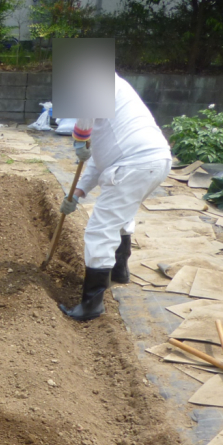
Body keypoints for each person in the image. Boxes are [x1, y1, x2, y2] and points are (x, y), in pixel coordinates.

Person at [58, 73, 171, 321]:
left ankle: (91, 304)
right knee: (122, 213)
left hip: (135, 163)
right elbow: (101, 161)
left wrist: (80, 138)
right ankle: (119, 271)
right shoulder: (116, 92)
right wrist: (78, 193)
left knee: (100, 229)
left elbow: (84, 125)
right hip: (155, 159)